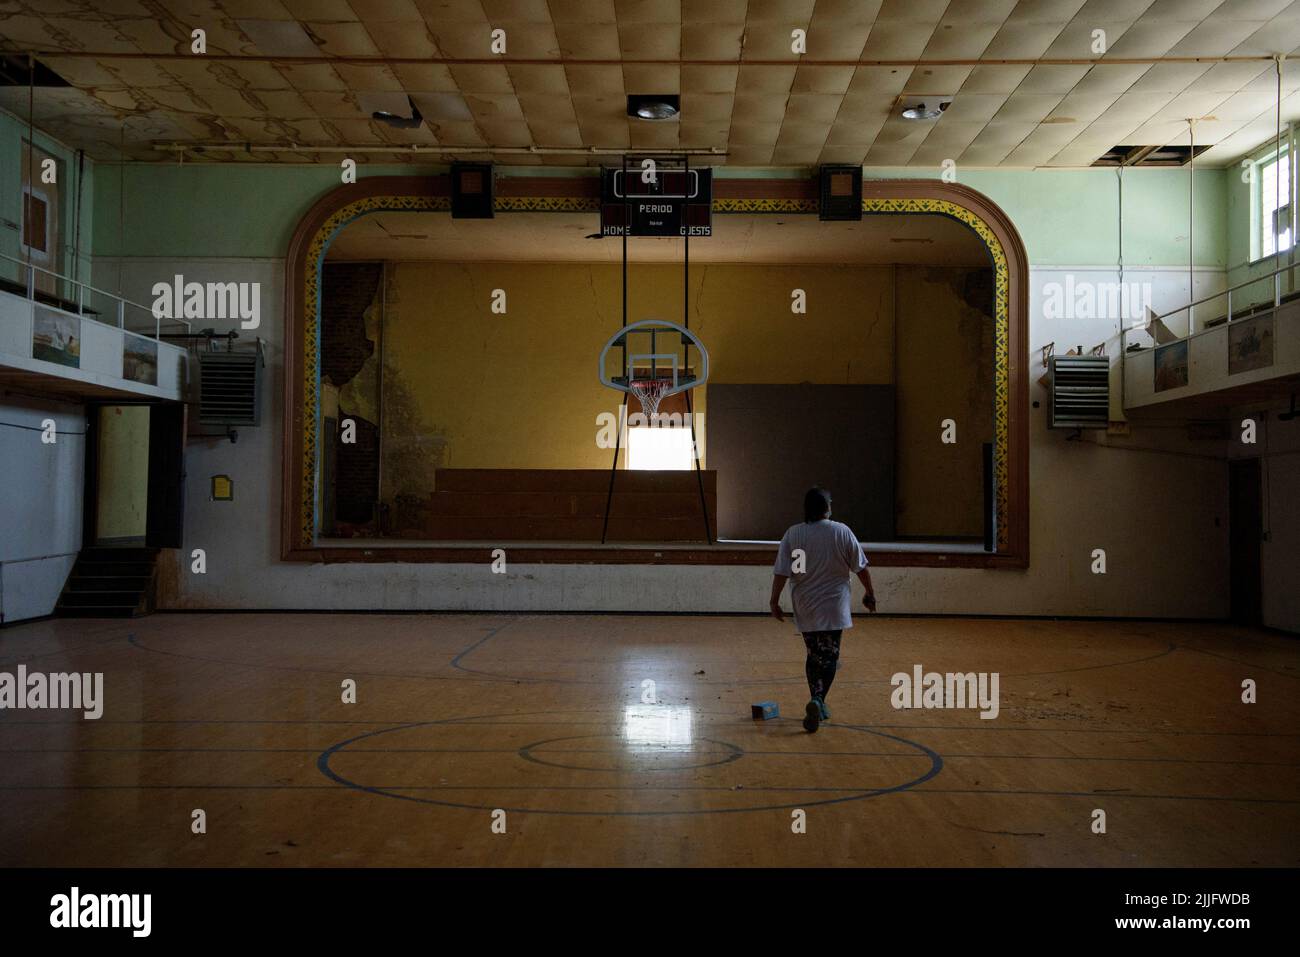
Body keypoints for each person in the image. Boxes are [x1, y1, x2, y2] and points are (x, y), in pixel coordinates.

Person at [769, 487, 876, 733]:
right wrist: (870, 593)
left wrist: (774, 600)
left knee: (813, 654)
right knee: (830, 656)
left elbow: (788, 570)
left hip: (805, 603)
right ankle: (818, 699)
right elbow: (860, 567)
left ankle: (818, 700)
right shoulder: (841, 531)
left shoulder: (794, 534)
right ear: (827, 507)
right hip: (833, 605)